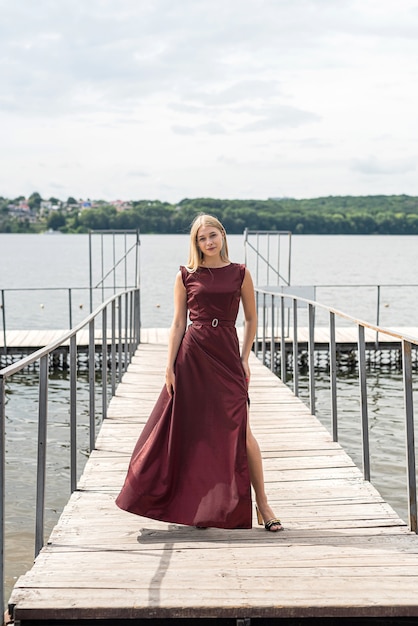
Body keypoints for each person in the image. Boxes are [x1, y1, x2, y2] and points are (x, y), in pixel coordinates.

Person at [116, 214, 283, 532]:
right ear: (196, 243)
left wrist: (245, 358)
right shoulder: (186, 275)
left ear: (222, 236)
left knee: (242, 432)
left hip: (227, 357)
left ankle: (263, 504)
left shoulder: (240, 273)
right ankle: (198, 507)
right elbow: (179, 322)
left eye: (212, 235)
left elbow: (251, 319)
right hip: (192, 357)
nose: (208, 242)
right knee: (194, 433)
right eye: (201, 238)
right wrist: (169, 366)